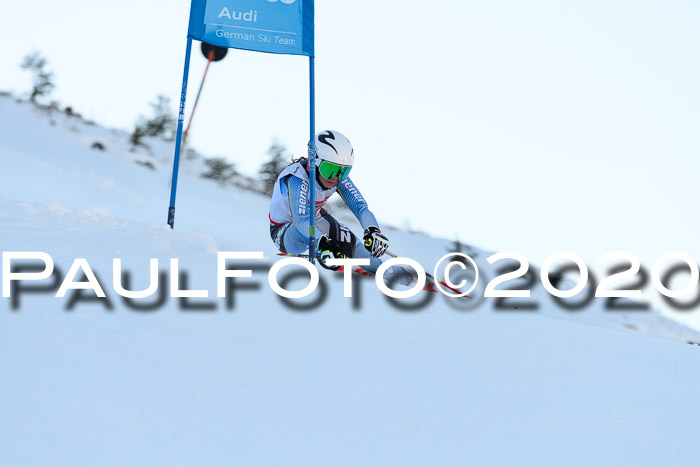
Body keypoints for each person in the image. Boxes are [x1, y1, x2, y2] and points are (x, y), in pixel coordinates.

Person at [268, 130, 392, 273]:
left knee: (350, 243)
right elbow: (300, 221)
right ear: (314, 161)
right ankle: (327, 255)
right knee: (319, 237)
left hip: (315, 219)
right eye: (330, 169)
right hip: (285, 232)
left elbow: (360, 207)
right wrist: (323, 243)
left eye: (344, 171)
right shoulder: (296, 179)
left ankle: (393, 275)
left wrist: (373, 229)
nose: (336, 177)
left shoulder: (337, 177)